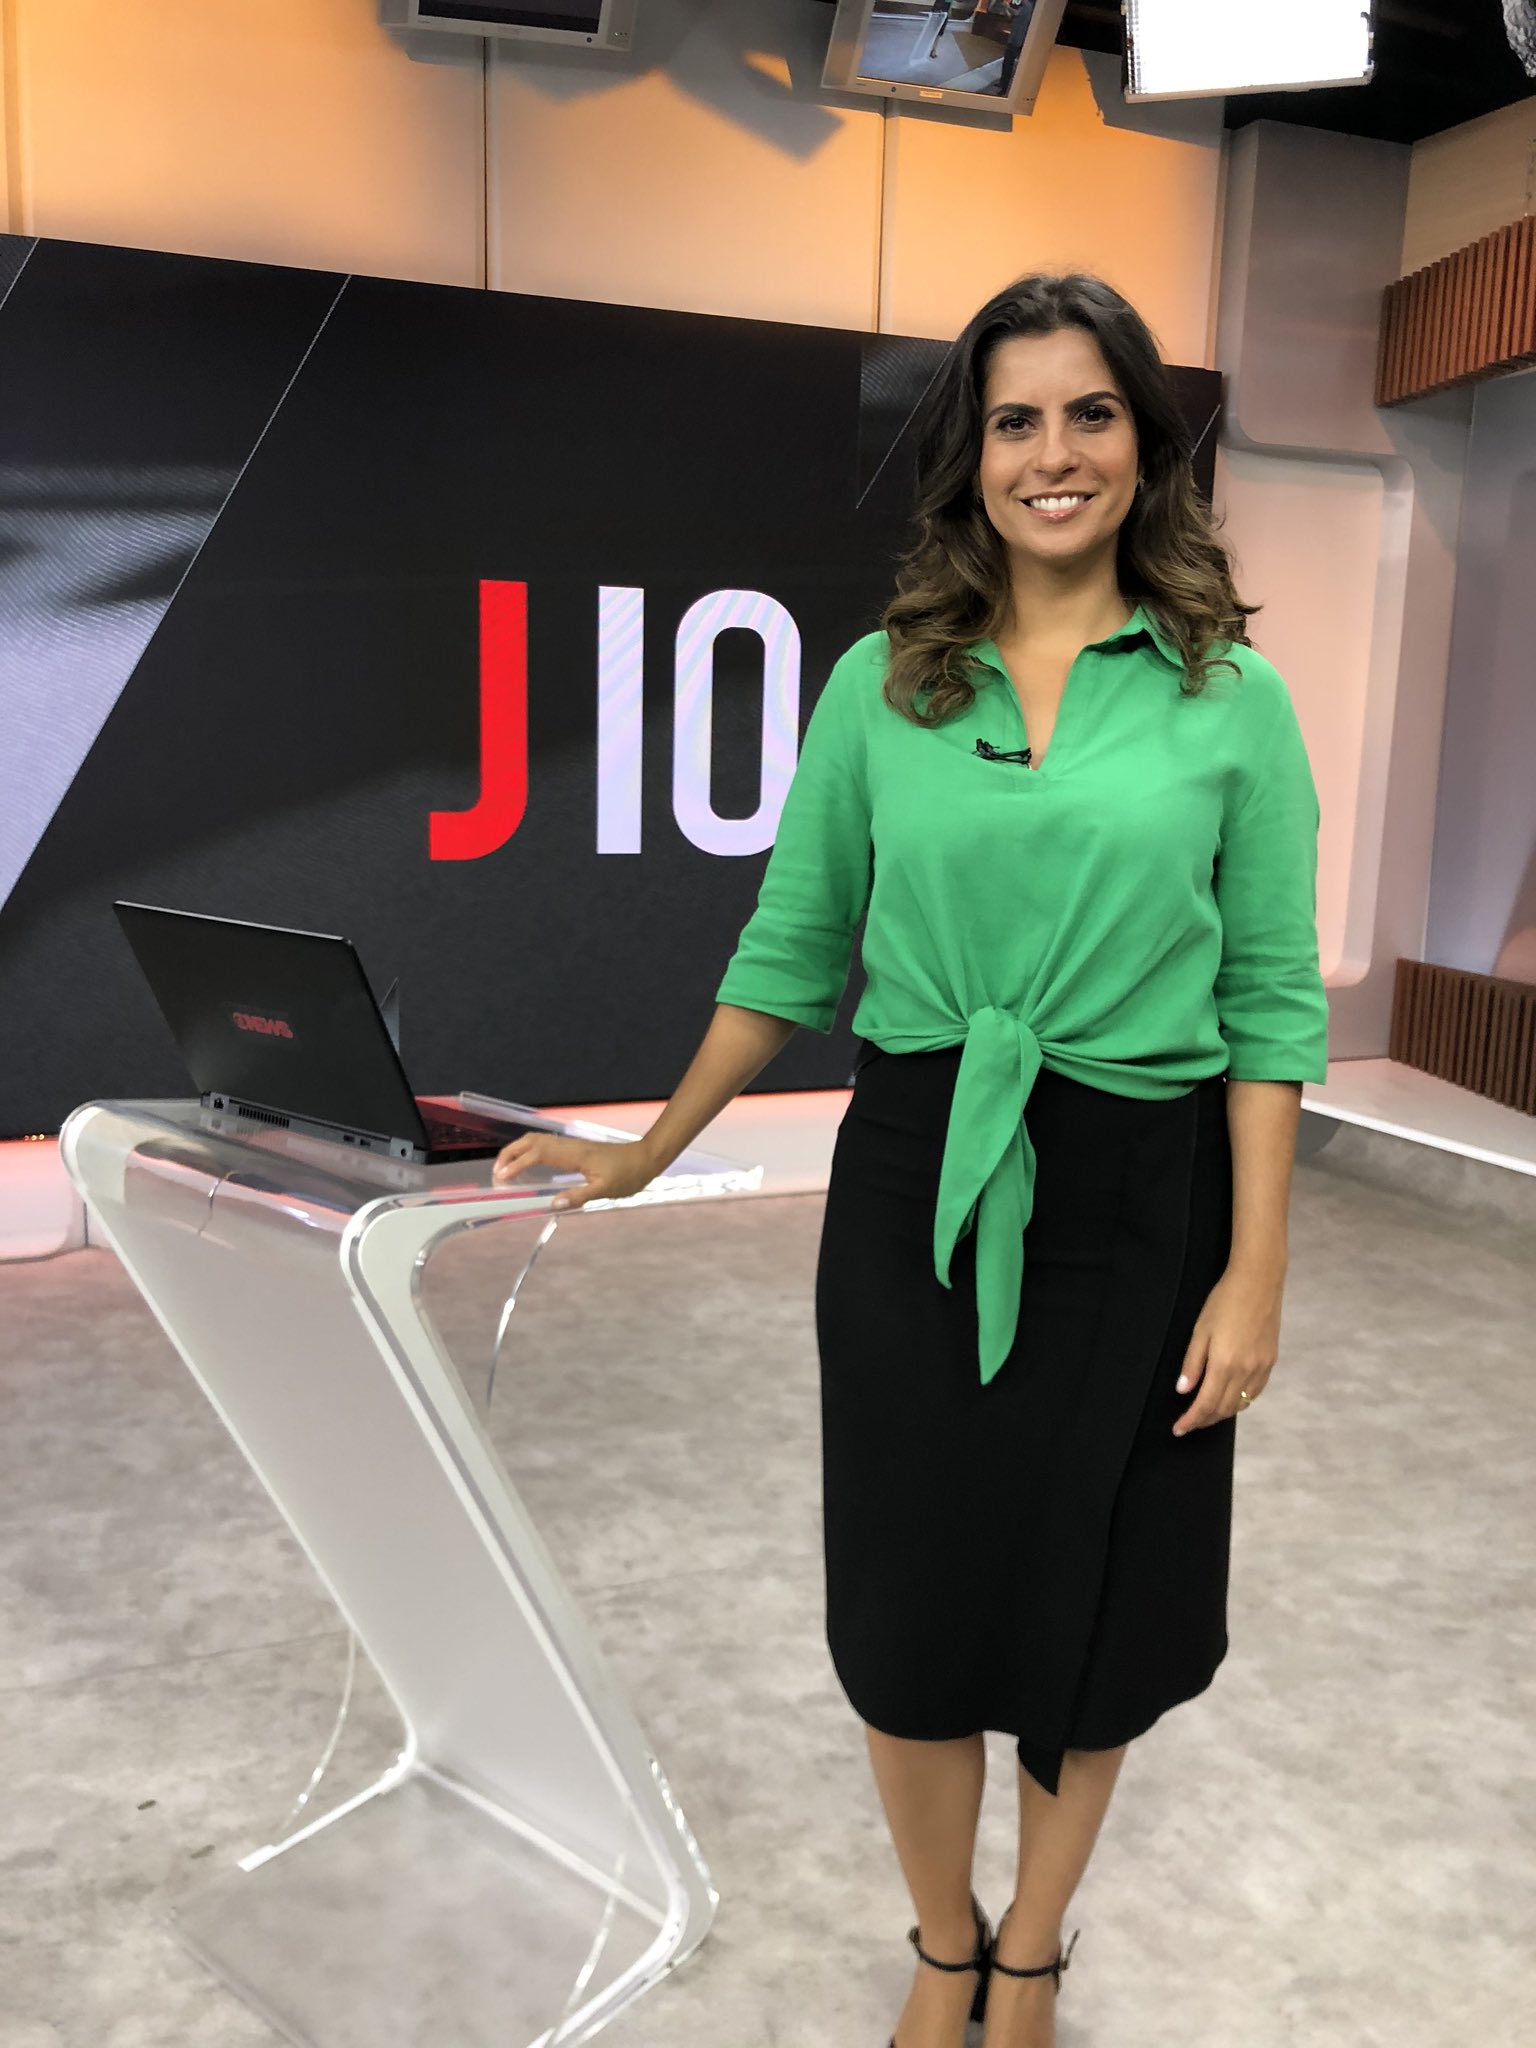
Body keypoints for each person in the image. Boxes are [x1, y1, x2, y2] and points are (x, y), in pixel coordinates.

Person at [491, 271, 1329, 2048]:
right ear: (972, 454)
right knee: (911, 1602)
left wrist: (1257, 1270)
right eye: (1016, 419)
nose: (1054, 453)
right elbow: (792, 951)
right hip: (915, 1186)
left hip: (1143, 1196)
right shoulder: (884, 685)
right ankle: (942, 1943)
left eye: (1091, 413)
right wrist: (647, 1149)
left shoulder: (1231, 694)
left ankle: (1033, 1949)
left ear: (1145, 445)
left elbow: (1269, 1004)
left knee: (1103, 1602)